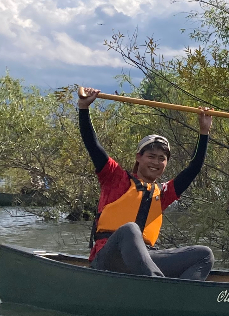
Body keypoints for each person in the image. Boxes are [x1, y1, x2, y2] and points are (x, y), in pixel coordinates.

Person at [77, 86, 215, 280]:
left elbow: (194, 169)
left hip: (144, 260)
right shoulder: (115, 178)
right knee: (130, 228)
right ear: (139, 158)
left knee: (204, 254)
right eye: (151, 156)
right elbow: (93, 145)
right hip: (108, 260)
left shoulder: (164, 193)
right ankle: (157, 285)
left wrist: (204, 132)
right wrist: (84, 109)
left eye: (161, 159)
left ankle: (181, 297)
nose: (156, 163)